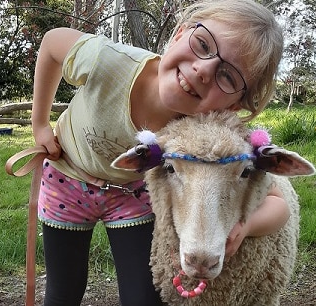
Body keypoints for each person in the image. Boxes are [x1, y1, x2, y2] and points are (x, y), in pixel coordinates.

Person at [31, 0, 286, 305]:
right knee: (63, 291)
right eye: (203, 44)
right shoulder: (107, 61)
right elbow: (52, 43)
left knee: (144, 299)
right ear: (179, 33)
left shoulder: (203, 136)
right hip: (66, 179)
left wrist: (244, 227)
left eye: (228, 76)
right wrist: (39, 123)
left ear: (232, 104)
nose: (203, 69)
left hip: (132, 196)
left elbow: (277, 204)